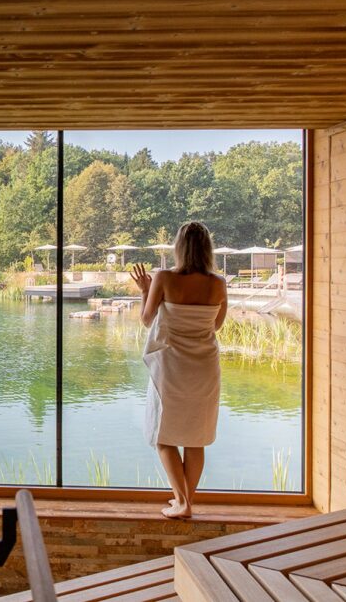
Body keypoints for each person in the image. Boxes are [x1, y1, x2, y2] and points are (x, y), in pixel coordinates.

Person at [130, 222, 227, 519]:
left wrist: (146, 291)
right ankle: (185, 502)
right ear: (207, 248)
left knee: (163, 436)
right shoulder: (218, 283)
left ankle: (182, 502)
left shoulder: (164, 277)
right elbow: (216, 325)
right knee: (195, 438)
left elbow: (147, 320)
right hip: (204, 367)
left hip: (171, 367)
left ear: (179, 248)